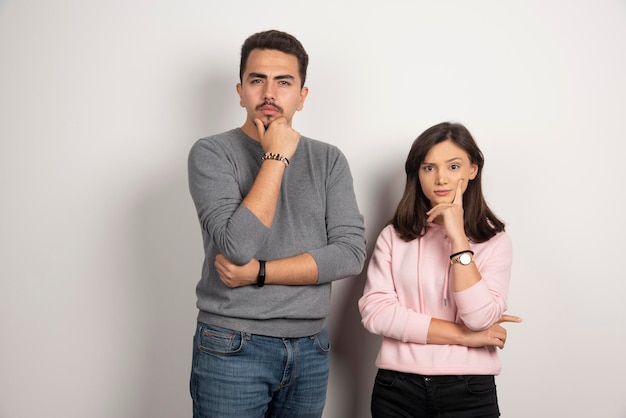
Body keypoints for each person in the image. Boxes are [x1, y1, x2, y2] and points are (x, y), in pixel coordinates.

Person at [187, 29, 366, 418]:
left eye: (283, 82)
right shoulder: (212, 153)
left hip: (311, 346)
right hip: (233, 344)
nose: (269, 93)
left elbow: (350, 254)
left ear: (302, 96)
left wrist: (260, 273)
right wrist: (277, 158)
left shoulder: (328, 160)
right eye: (257, 80)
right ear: (240, 91)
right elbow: (238, 245)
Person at [358, 122, 522, 417]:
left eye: (453, 166)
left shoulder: (495, 241)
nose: (441, 178)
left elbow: (480, 316)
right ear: (417, 174)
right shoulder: (394, 236)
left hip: (470, 391)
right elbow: (376, 313)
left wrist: (458, 238)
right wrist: (465, 337)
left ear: (473, 169)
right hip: (397, 388)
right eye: (429, 168)